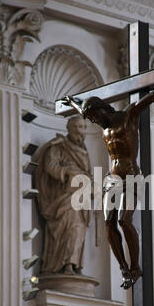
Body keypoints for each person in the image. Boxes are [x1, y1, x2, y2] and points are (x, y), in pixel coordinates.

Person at [63, 50, 154, 289]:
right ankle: (123, 268)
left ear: (102, 110)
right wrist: (72, 101)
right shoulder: (101, 123)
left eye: (93, 118)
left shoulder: (128, 116)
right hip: (112, 178)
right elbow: (81, 108)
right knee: (108, 222)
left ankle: (135, 266)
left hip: (131, 175)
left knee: (125, 221)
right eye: (90, 119)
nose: (94, 123)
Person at [35, 115, 92, 275]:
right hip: (65, 195)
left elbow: (89, 173)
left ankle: (74, 264)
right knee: (69, 227)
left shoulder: (85, 152)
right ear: (68, 129)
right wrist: (67, 172)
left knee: (79, 229)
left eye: (82, 127)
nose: (80, 131)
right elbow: (50, 165)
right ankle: (65, 264)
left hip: (81, 195)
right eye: (76, 127)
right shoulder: (58, 147)